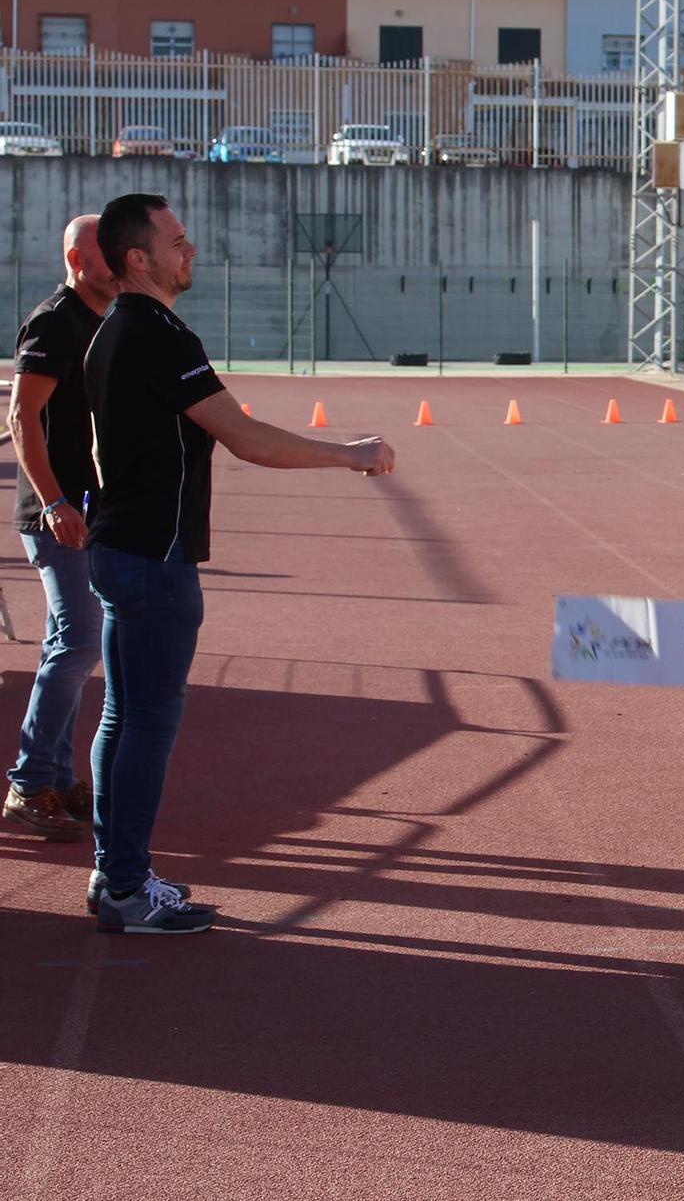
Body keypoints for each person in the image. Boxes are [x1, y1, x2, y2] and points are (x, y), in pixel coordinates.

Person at [84, 193, 395, 933]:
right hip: (153, 560)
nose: (190, 252)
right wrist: (347, 454)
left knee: (123, 717)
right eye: (178, 241)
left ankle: (116, 876)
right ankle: (125, 887)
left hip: (122, 548)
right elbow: (245, 438)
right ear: (139, 257)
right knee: (146, 723)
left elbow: (102, 448)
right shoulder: (157, 335)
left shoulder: (115, 332)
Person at [2, 216, 117, 842]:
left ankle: (53, 773)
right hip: (57, 514)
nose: (123, 265)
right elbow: (22, 416)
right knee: (78, 643)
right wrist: (53, 502)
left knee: (68, 647)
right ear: (78, 259)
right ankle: (27, 782)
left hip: (86, 509)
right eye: (109, 255)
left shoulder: (99, 320)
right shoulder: (54, 320)